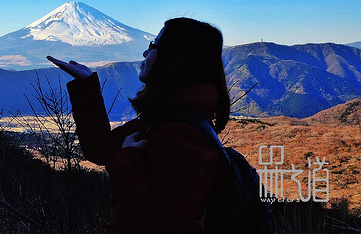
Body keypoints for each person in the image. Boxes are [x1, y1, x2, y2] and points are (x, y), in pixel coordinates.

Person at [47, 17, 230, 233]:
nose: (145, 53)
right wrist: (86, 85)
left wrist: (128, 162)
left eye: (153, 45)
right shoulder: (164, 118)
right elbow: (102, 150)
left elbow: (167, 224)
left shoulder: (182, 134)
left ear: (175, 57)